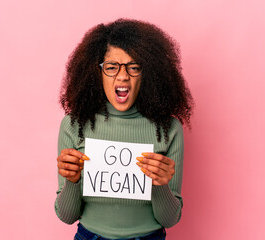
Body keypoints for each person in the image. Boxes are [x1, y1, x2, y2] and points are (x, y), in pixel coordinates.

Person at [55, 18, 193, 240]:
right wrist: (71, 181)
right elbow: (67, 216)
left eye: (134, 67)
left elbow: (170, 220)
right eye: (111, 67)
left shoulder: (168, 129)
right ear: (96, 72)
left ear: (148, 73)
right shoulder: (74, 126)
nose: (122, 76)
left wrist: (160, 185)